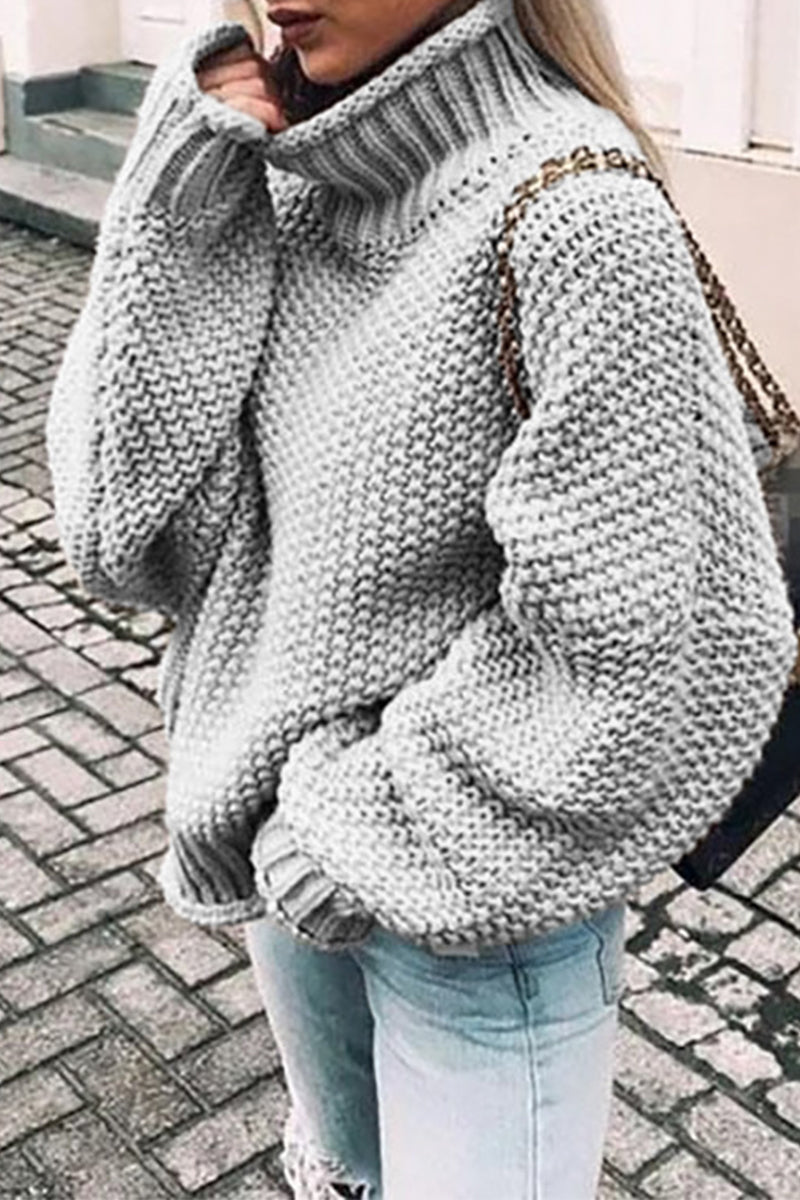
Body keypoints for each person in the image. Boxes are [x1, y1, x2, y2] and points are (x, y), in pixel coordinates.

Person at [44, 0, 796, 1196]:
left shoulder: (573, 213)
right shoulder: (293, 179)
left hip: (482, 912)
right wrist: (177, 196)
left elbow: (644, 642)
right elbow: (121, 538)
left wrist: (351, 831)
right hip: (288, 849)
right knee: (343, 1177)